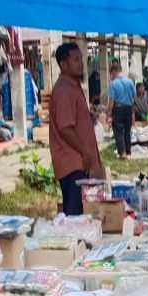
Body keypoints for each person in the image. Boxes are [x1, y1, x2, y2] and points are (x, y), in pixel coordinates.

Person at [49, 43, 102, 216]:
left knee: (85, 214)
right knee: (76, 217)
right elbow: (65, 128)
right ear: (63, 64)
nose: (81, 63)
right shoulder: (64, 90)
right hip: (73, 164)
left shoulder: (73, 86)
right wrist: (86, 153)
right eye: (75, 60)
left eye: (81, 59)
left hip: (80, 162)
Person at [106, 62, 137, 159]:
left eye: (111, 74)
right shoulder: (130, 82)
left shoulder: (113, 84)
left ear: (114, 72)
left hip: (118, 109)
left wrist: (109, 112)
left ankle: (122, 152)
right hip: (128, 108)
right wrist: (133, 110)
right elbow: (134, 96)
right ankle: (128, 151)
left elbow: (111, 101)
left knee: (118, 131)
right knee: (127, 130)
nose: (111, 76)